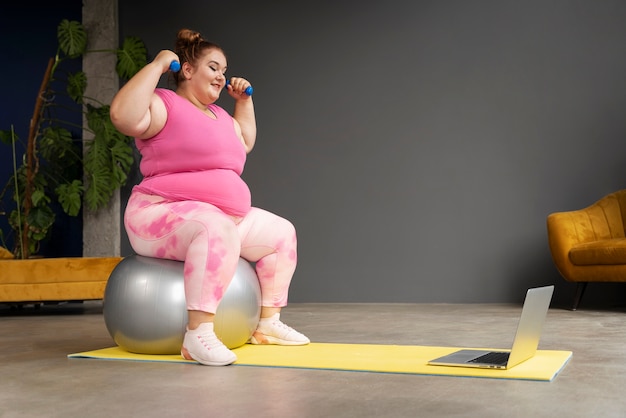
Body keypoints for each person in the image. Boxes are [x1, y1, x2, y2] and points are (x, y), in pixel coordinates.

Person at [110, 28, 309, 366]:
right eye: (214, 67)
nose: (222, 76)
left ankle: (267, 324)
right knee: (214, 228)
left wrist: (243, 102)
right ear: (187, 70)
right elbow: (122, 116)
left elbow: (244, 141)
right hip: (159, 214)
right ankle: (198, 334)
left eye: (224, 70)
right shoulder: (164, 104)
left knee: (281, 233)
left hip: (218, 217)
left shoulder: (219, 116)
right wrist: (158, 65)